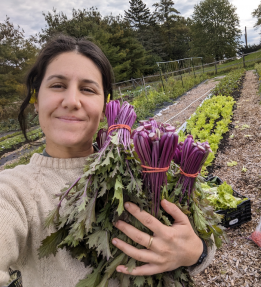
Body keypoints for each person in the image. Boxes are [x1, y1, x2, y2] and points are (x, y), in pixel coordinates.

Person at [0, 35, 216, 287]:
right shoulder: (14, 192)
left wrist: (195, 252)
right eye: (57, 85)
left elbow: (201, 243)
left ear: (105, 106)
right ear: (36, 100)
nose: (71, 101)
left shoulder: (147, 162)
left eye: (88, 89)